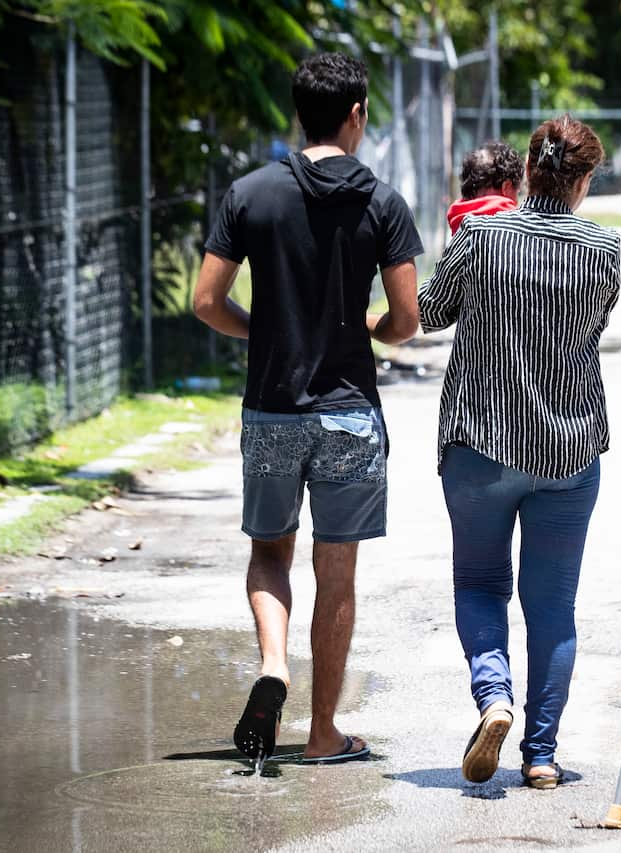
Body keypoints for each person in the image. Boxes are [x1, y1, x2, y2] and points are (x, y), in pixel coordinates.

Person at [193, 52, 423, 766]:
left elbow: (205, 300)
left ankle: (273, 664)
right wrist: (373, 335)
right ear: (356, 114)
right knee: (338, 569)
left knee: (269, 552)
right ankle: (324, 733)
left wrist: (258, 328)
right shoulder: (382, 202)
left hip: (271, 408)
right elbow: (407, 316)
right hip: (350, 411)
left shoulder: (251, 194)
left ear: (299, 112)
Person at [418, 115, 619, 789]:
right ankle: (540, 754)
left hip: (481, 442)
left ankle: (493, 696)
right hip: (568, 449)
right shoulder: (604, 248)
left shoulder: (478, 236)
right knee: (552, 606)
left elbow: (431, 312)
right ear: (583, 179)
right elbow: (592, 324)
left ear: (526, 172)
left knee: (480, 585)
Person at [446, 140, 524, 235]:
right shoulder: (515, 228)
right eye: (517, 192)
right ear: (506, 187)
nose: (517, 201)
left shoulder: (456, 222)